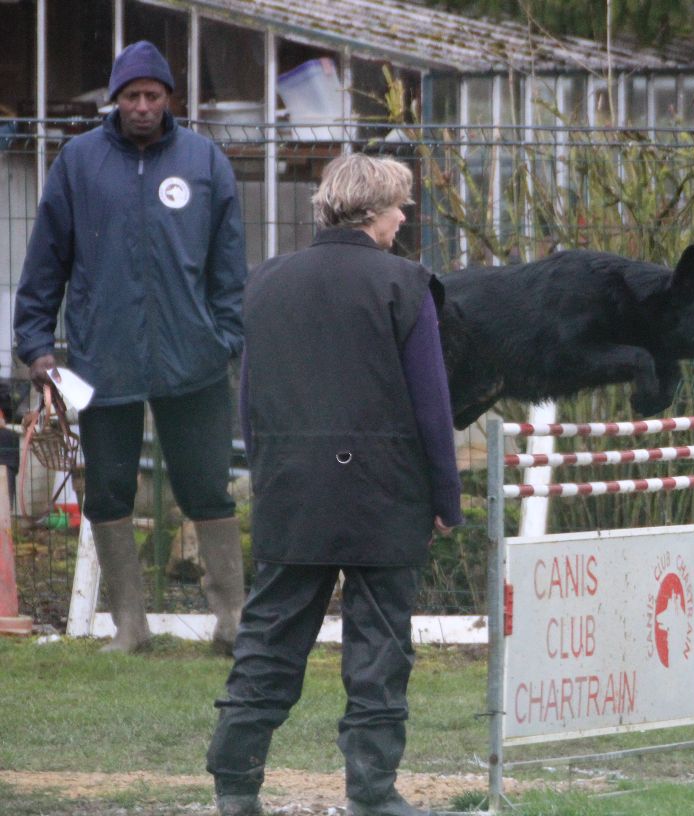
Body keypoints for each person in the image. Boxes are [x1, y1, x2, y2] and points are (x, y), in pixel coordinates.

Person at [205, 153, 463, 816]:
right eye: (399, 206)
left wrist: (268, 472)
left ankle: (236, 783)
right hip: (385, 491)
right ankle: (372, 793)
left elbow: (251, 397)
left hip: (291, 487)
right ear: (373, 211)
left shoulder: (266, 282)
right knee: (379, 649)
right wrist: (445, 497)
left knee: (269, 639)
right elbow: (432, 405)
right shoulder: (406, 284)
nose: (404, 217)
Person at [14, 41, 248, 654]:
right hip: (103, 361)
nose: (142, 106)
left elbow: (229, 265)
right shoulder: (78, 162)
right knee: (109, 492)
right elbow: (46, 260)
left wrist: (225, 338)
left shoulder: (204, 160)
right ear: (115, 100)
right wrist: (36, 344)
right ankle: (130, 629)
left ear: (169, 97)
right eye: (131, 96)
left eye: (153, 95)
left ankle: (233, 624)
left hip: (194, 361)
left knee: (208, 490)